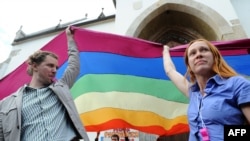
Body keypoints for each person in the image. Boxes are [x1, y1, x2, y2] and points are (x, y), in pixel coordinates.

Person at [0, 26, 90, 141]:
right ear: (35, 66)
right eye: (50, 66)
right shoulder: (6, 104)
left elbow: (74, 66)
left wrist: (70, 39)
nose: (55, 70)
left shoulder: (61, 87)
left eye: (56, 67)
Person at [162, 38, 250, 141]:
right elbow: (170, 70)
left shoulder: (237, 84)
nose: (198, 55)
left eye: (203, 50)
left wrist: (224, 134)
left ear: (215, 57)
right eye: (193, 53)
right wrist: (165, 51)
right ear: (189, 66)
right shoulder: (193, 92)